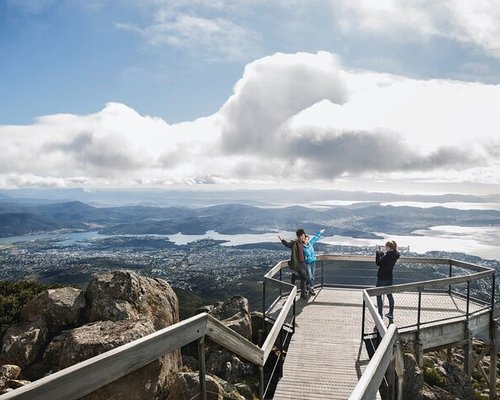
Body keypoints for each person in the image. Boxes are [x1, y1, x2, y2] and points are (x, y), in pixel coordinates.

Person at [278, 229, 310, 299]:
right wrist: (282, 240)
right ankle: (295, 277)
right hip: (297, 264)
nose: (302, 237)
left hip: (303, 262)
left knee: (303, 279)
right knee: (305, 277)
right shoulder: (294, 243)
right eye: (301, 236)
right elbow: (288, 245)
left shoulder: (302, 243)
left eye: (303, 236)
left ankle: (303, 294)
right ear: (298, 236)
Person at [375, 240, 400, 319]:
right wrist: (382, 255)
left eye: (386, 247)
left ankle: (380, 314)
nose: (385, 248)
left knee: (378, 295)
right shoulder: (395, 255)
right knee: (389, 295)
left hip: (382, 278)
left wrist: (377, 254)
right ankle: (391, 313)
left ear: (389, 247)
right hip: (389, 278)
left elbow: (378, 263)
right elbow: (386, 262)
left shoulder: (387, 256)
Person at [303, 229, 325, 295]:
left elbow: (315, 238)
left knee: (312, 276)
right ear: (303, 240)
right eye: (305, 239)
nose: (306, 240)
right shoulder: (302, 247)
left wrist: (319, 232)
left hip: (313, 261)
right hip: (307, 263)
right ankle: (308, 286)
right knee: (310, 276)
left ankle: (311, 288)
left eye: (307, 239)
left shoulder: (310, 244)